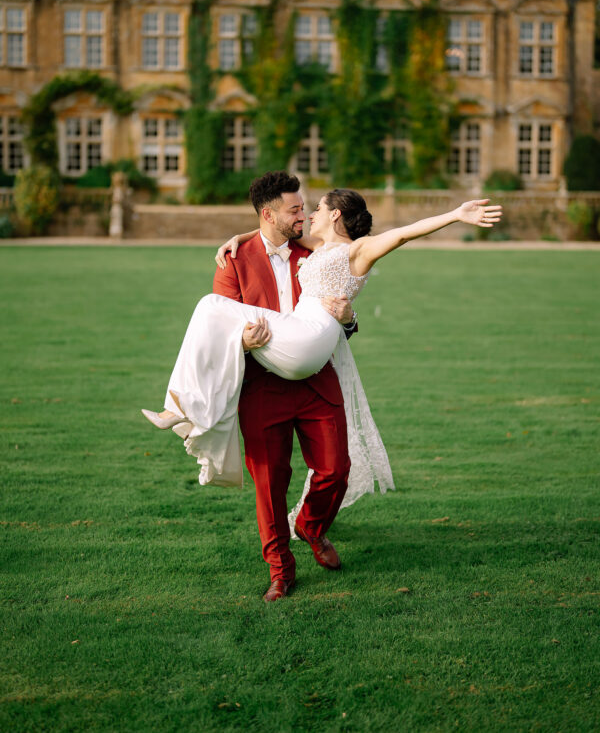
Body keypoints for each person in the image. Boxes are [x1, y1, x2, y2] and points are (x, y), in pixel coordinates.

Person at [142, 172, 502, 601]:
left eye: (307, 208)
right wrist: (242, 339)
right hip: (263, 385)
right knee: (269, 484)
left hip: (316, 377)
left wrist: (349, 318)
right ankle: (280, 570)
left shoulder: (313, 247)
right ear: (268, 214)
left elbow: (383, 251)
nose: (303, 215)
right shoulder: (234, 259)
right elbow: (221, 326)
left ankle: (310, 526)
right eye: (295, 209)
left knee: (336, 469)